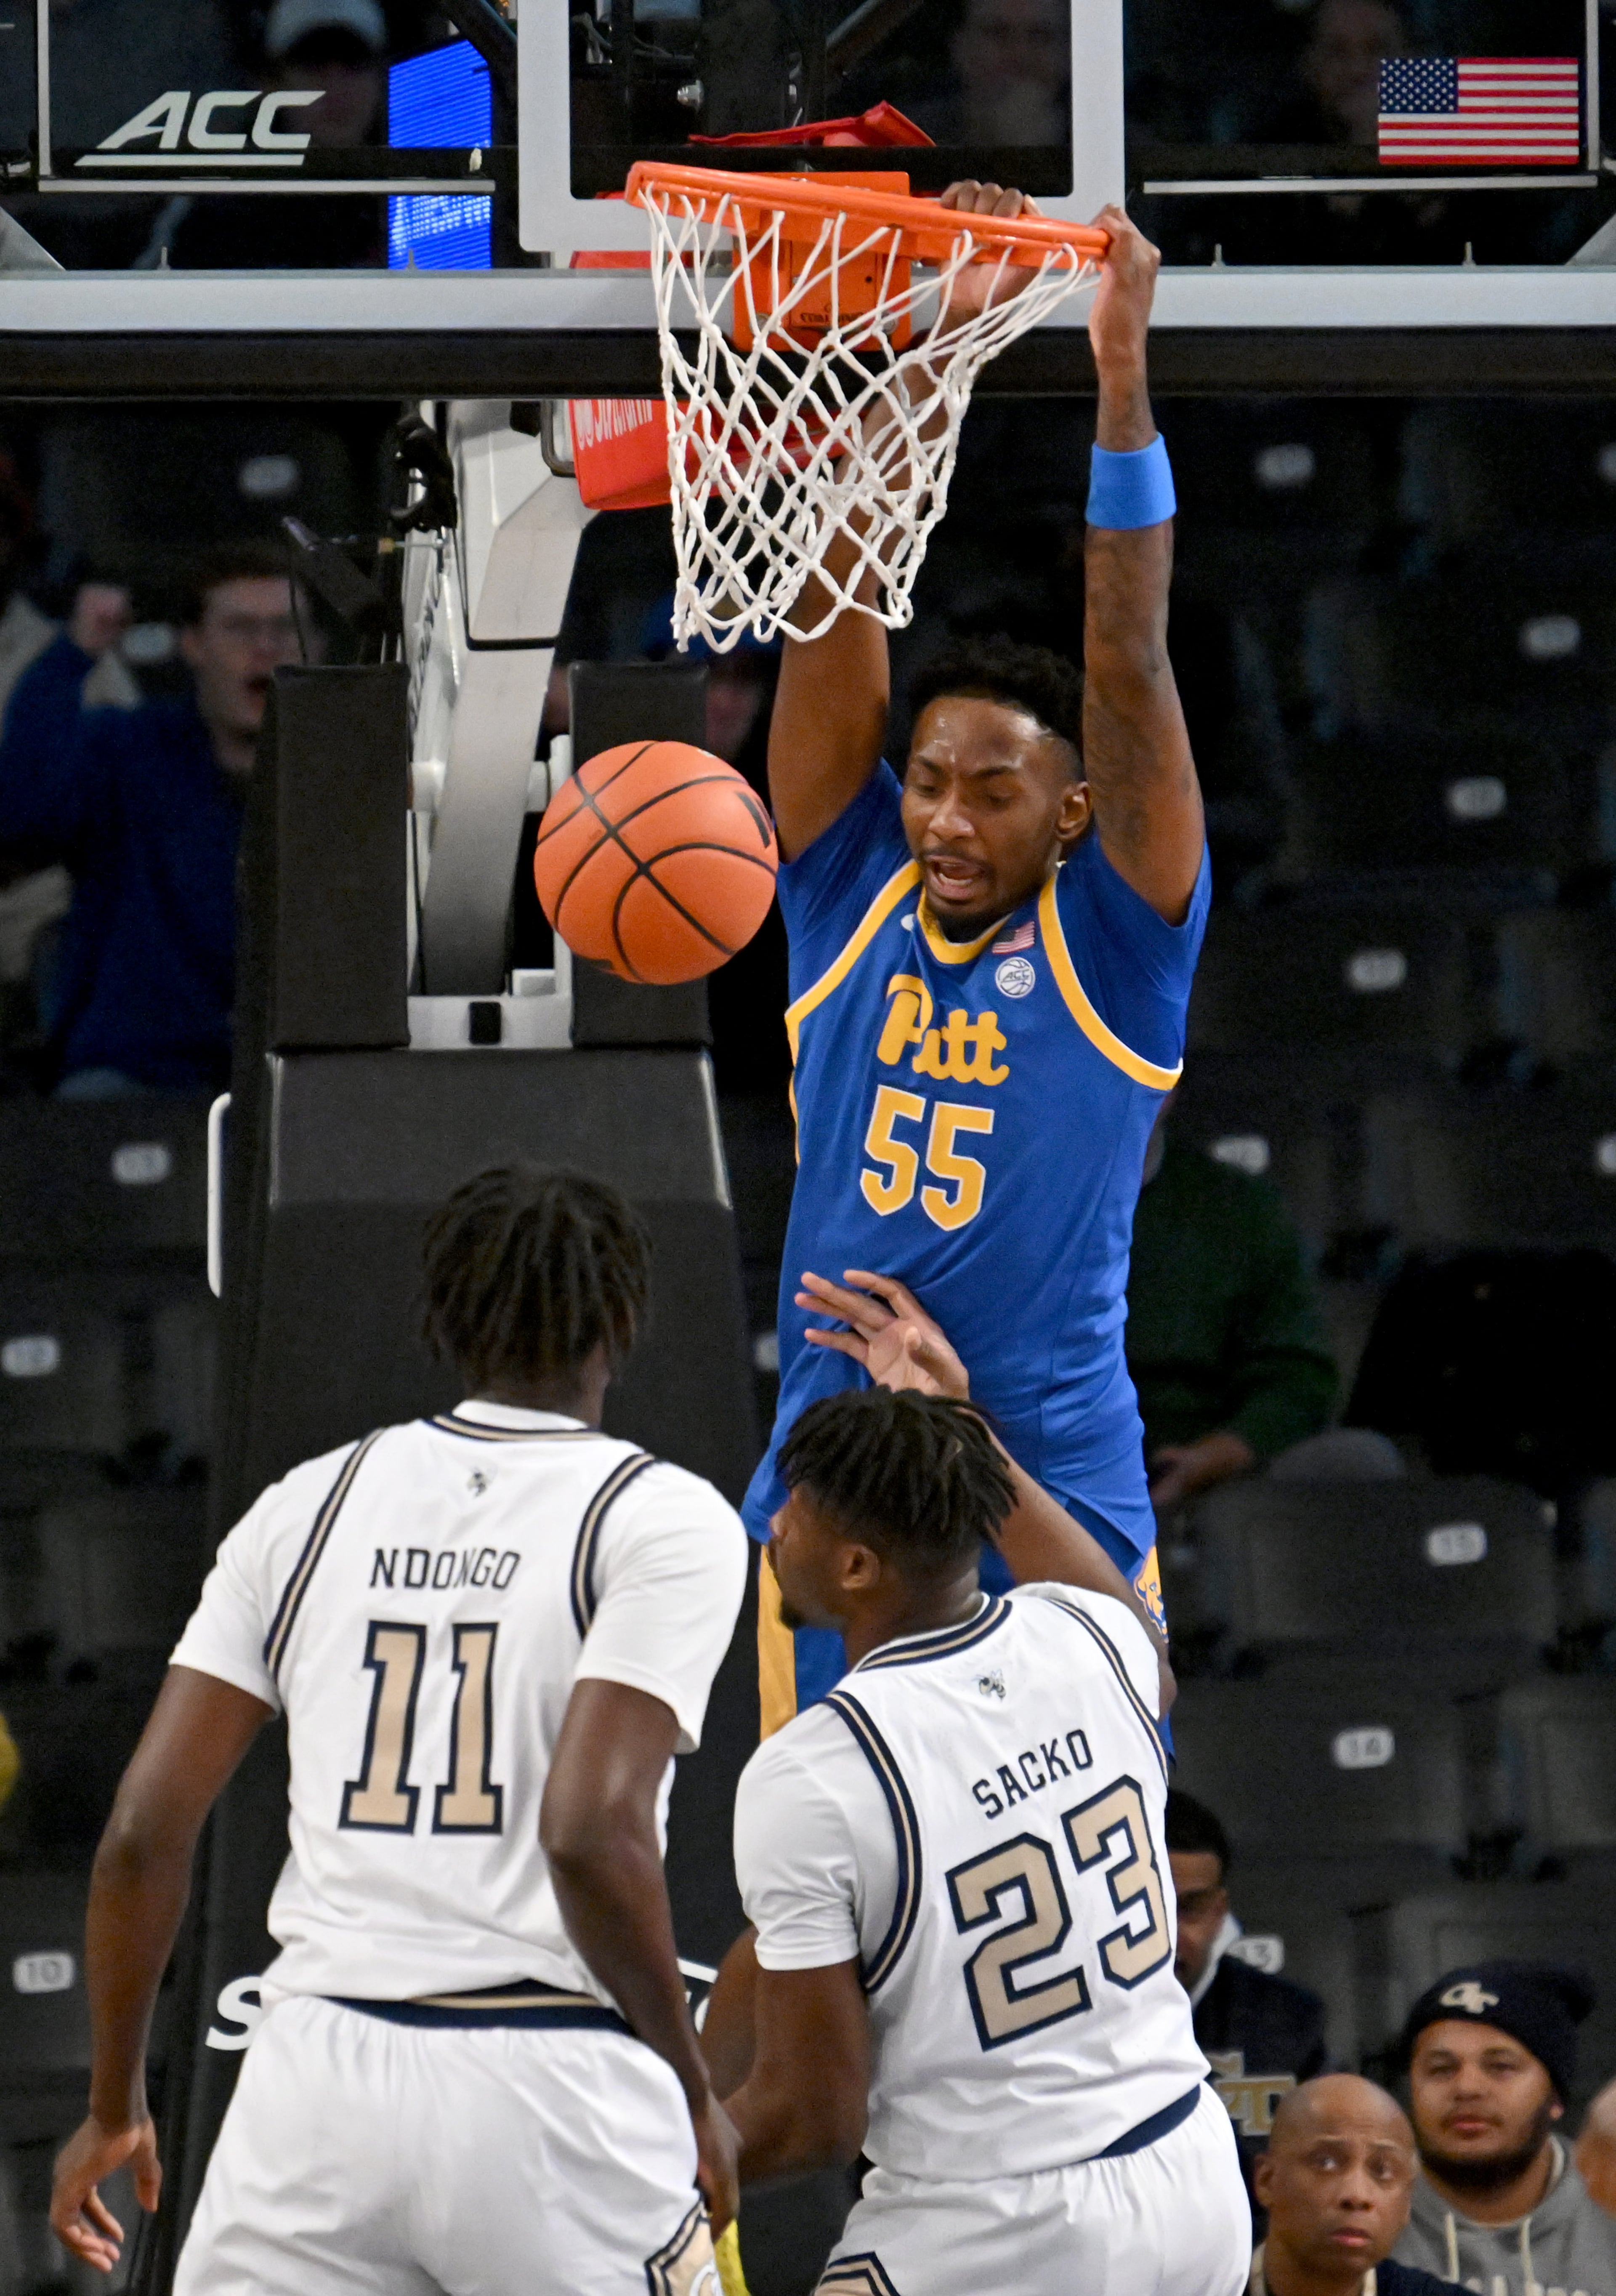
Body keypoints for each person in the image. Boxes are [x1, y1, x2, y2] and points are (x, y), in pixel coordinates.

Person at [49, 1164, 749, 2292]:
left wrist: (115, 2101)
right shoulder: (662, 1514)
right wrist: (689, 2081)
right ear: (624, 1317)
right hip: (553, 2079)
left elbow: (140, 1828)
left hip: (314, 2085)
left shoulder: (306, 1503)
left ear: (441, 1316)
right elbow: (587, 1829)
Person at [747, 189, 1210, 1724]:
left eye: (990, 789)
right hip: (831, 1484)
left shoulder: (1117, 944)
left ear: (1072, 809)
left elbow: (1125, 660)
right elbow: (835, 593)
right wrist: (914, 339)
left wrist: (1121, 380)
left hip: (1047, 1477)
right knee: (820, 1912)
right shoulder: (848, 888)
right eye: (928, 777)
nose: (942, 813)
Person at [704, 1298, 1250, 2296]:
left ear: (856, 1566)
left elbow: (815, 2116)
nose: (774, 1524)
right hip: (1192, 2175)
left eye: (795, 1507)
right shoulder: (1089, 1638)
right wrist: (960, 1429)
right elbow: (1142, 1643)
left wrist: (662, 2159)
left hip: (1004, 2224)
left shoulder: (815, 1770)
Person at [0, 543, 302, 1095]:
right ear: (193, 644)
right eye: (240, 628)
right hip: (138, 1068)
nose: (265, 647)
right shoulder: (127, 749)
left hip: (295, 1074)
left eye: (286, 628)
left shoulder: (340, 773)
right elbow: (23, 815)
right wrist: (73, 655)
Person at [1129, 1092, 1339, 1516]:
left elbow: (1297, 1377)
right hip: (1036, 1470)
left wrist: (1216, 1456)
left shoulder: (1241, 1206)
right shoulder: (1004, 1199)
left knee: (1357, 1458)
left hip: (1202, 1469)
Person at [1392, 1961, 1616, 2296]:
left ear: (1555, 2098)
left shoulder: (1608, 2200)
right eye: (1441, 2068)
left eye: (1501, 2066)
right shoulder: (1358, 2207)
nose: (1467, 2087)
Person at [1167, 1790, 1328, 2198]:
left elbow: (1316, 2184)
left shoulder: (1292, 2024)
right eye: (1152, 1906)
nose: (1170, 1934)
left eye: (1191, 1908)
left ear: (1220, 1911)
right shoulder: (1063, 2022)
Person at [1251, 2075, 1466, 2296]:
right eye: (1327, 2163)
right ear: (1267, 2180)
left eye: (1383, 2170)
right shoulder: (1215, 2285)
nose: (1357, 2195)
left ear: (1407, 2201)